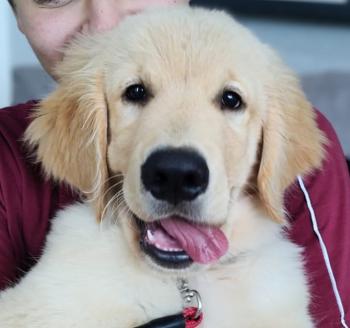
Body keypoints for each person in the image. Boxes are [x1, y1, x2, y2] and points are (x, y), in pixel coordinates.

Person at [1, 0, 349, 326]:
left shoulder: (282, 268)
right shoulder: (80, 256)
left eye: (230, 99)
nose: (104, 23)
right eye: (136, 93)